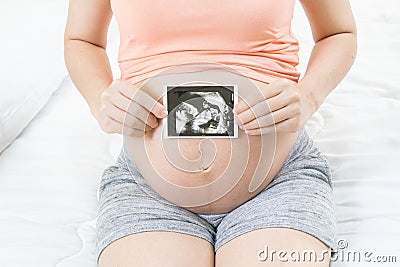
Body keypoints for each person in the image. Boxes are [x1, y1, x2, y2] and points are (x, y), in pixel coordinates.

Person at [64, 0, 357, 266]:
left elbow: (338, 33)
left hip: (277, 182)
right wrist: (99, 97)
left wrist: (309, 96)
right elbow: (82, 39)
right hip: (148, 191)